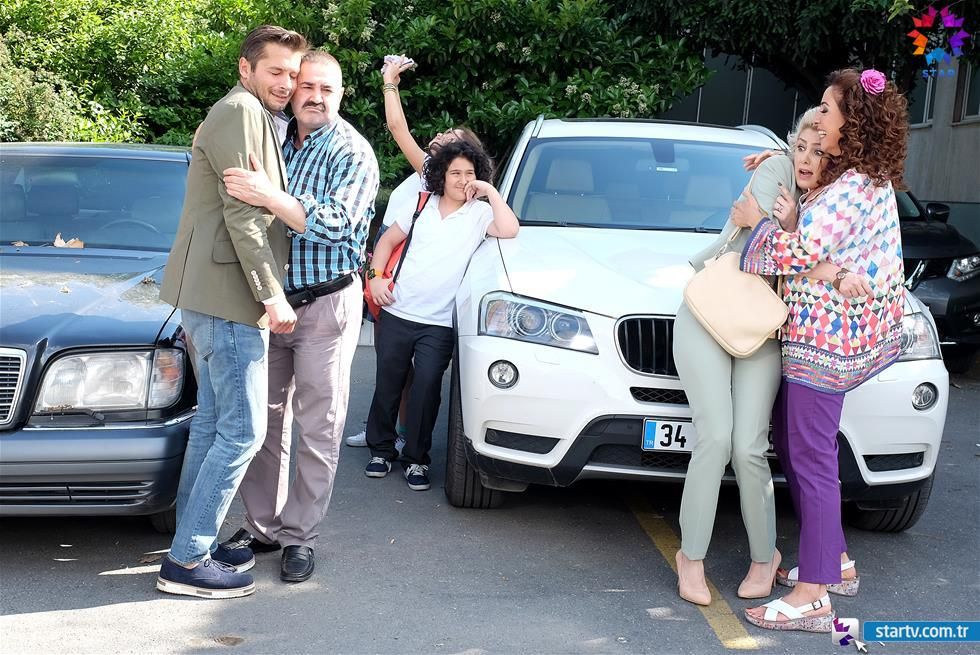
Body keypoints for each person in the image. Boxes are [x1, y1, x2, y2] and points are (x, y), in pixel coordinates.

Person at [733, 68, 907, 632]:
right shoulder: (851, 178)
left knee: (808, 455)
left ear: (851, 123)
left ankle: (813, 595)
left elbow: (799, 246)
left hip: (828, 341)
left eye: (828, 111)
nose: (820, 116)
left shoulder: (858, 184)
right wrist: (778, 165)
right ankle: (835, 561)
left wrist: (755, 226)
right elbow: (810, 204)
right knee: (797, 441)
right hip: (814, 336)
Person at [672, 108, 870, 607]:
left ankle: (767, 558)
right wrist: (789, 229)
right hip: (711, 309)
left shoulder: (836, 199)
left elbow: (800, 250)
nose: (807, 159)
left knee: (749, 448)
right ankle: (690, 558)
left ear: (838, 159)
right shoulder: (775, 168)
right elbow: (754, 240)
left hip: (765, 324)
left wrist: (793, 229)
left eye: (819, 153)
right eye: (801, 147)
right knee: (715, 437)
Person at [211, 50, 379, 584]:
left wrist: (271, 196)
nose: (314, 96)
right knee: (264, 422)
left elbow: (335, 223)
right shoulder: (275, 136)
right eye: (306, 86)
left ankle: (300, 537)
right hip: (273, 303)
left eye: (327, 89)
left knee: (319, 426)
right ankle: (262, 528)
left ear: (341, 94)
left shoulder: (353, 151)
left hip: (327, 305)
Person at [156, 25, 306, 599]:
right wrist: (271, 294)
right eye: (276, 71)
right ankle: (187, 562)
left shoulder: (244, 114)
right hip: (230, 296)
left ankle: (190, 540)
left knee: (217, 425)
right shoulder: (241, 111)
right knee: (244, 431)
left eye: (293, 74)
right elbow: (244, 216)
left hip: (214, 295)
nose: (286, 83)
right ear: (246, 69)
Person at [345, 54, 483, 449]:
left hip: (402, 269)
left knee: (406, 371)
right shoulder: (432, 174)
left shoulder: (432, 172)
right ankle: (387, 434)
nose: (439, 136)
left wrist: (390, 82)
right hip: (390, 265)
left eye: (450, 137)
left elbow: (395, 126)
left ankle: (400, 435)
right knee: (394, 368)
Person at [364, 140, 519, 490]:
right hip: (397, 309)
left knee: (427, 388)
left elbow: (509, 229)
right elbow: (386, 242)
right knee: (389, 382)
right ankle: (381, 450)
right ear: (441, 176)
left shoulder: (480, 215)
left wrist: (490, 192)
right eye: (455, 173)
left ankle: (416, 459)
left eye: (470, 173)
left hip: (439, 323)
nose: (463, 180)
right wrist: (375, 280)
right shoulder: (421, 204)